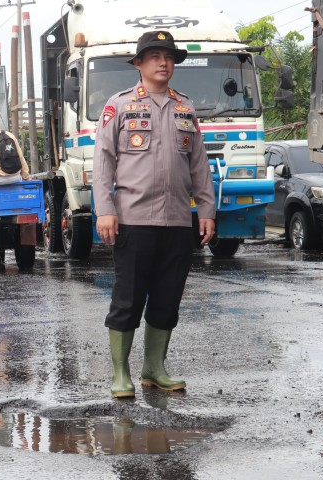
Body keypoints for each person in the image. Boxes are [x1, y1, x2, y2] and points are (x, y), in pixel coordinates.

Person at [92, 30, 216, 399]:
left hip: (177, 221)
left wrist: (206, 209)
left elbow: (199, 164)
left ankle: (154, 368)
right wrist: (105, 210)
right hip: (133, 219)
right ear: (139, 64)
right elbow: (104, 162)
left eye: (169, 57)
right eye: (155, 57)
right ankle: (120, 373)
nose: (164, 63)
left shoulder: (184, 107)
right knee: (128, 298)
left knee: (167, 298)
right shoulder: (120, 105)